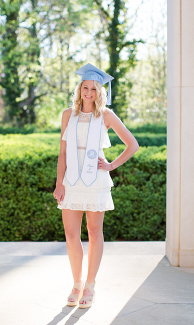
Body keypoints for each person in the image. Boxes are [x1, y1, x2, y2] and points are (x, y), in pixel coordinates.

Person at [52, 63, 139, 309]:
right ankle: (76, 283)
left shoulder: (107, 116)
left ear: (100, 92)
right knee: (70, 235)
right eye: (85, 88)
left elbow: (132, 145)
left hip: (95, 179)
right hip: (72, 179)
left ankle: (90, 285)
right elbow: (62, 151)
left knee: (93, 232)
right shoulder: (68, 115)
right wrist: (59, 183)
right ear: (79, 89)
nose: (88, 93)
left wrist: (111, 165)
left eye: (93, 89)